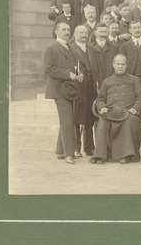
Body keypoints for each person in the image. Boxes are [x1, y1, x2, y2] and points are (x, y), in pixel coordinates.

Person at [93, 54, 141, 164]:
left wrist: (135, 109)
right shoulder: (107, 81)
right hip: (111, 111)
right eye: (118, 64)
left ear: (126, 65)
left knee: (129, 121)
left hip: (128, 111)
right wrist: (102, 107)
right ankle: (101, 155)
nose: (120, 67)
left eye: (122, 64)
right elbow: (100, 98)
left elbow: (140, 96)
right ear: (113, 65)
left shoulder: (134, 80)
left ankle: (126, 155)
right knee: (102, 121)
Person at [43, 22, 82, 164]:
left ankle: (60, 151)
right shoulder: (51, 48)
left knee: (68, 119)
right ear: (56, 31)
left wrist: (78, 74)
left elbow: (74, 66)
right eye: (63, 29)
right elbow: (48, 69)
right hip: (59, 89)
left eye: (68, 29)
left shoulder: (70, 46)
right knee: (67, 121)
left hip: (70, 88)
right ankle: (68, 154)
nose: (67, 32)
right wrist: (68, 74)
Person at [69, 25, 97, 159]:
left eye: (85, 32)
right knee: (76, 118)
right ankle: (75, 148)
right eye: (80, 32)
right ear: (74, 34)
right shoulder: (70, 49)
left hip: (91, 88)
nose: (84, 35)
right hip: (78, 88)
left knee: (89, 118)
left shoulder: (92, 49)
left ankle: (89, 148)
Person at [87, 22, 117, 88]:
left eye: (105, 32)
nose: (103, 34)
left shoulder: (114, 48)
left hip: (111, 84)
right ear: (95, 33)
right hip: (94, 84)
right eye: (100, 32)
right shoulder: (89, 48)